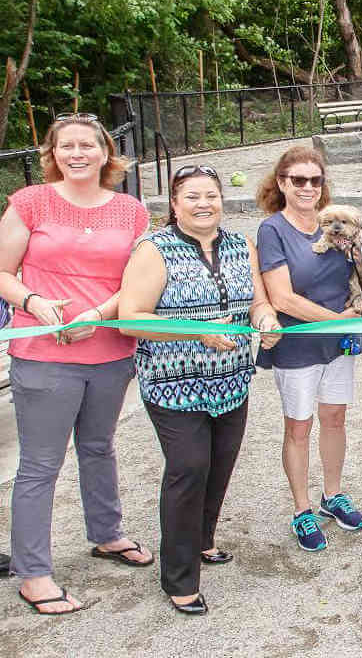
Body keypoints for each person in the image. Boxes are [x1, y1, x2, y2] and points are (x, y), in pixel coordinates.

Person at [0, 113, 153, 615]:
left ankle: (106, 534)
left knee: (98, 446)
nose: (77, 153)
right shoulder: (30, 202)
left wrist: (100, 314)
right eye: (66, 146)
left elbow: (137, 279)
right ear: (52, 153)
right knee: (41, 465)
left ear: (107, 153)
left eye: (88, 144)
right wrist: (36, 303)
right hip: (44, 354)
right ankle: (34, 572)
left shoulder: (131, 210)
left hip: (109, 351)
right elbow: (2, 271)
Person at [118, 165, 283, 615]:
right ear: (174, 204)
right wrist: (194, 330)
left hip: (232, 379)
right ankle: (179, 576)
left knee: (220, 465)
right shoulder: (155, 249)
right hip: (174, 384)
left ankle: (204, 539)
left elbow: (258, 300)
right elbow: (132, 316)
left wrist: (266, 321)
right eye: (192, 196)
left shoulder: (238, 244)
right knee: (189, 468)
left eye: (211, 194)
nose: (204, 203)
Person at [255, 146, 362, 552]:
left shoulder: (341, 228)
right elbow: (282, 298)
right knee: (299, 427)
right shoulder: (273, 230)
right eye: (298, 180)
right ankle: (302, 509)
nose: (307, 187)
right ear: (282, 183)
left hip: (338, 344)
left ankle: (332, 495)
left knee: (335, 418)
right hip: (298, 343)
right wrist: (339, 320)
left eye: (314, 180)